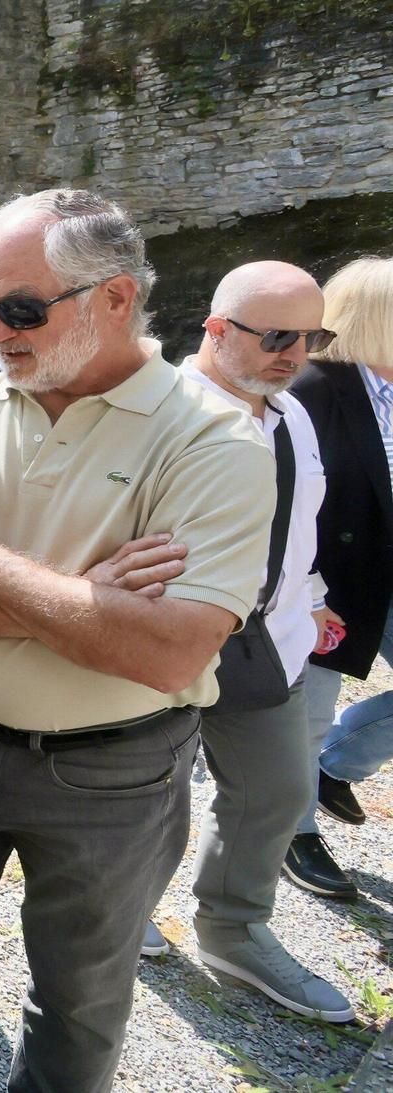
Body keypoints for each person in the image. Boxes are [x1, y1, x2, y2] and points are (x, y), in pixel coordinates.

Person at [0, 188, 275, 1093]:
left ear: (116, 298)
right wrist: (88, 603)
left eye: (20, 308)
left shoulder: (215, 444)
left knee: (78, 1001)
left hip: (109, 777)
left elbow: (167, 653)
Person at [133, 262, 350, 1022]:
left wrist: (312, 597)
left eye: (312, 336)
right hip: (168, 642)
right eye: (277, 335)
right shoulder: (155, 410)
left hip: (269, 644)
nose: (295, 351)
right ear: (217, 330)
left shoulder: (289, 414)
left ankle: (233, 928)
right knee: (151, 803)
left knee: (279, 789)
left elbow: (298, 522)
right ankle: (119, 920)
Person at [287, 255, 393, 901]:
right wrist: (308, 588)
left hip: (389, 570)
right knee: (307, 713)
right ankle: (292, 832)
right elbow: (286, 499)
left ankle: (336, 769)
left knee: (317, 731)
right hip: (330, 578)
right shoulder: (314, 388)